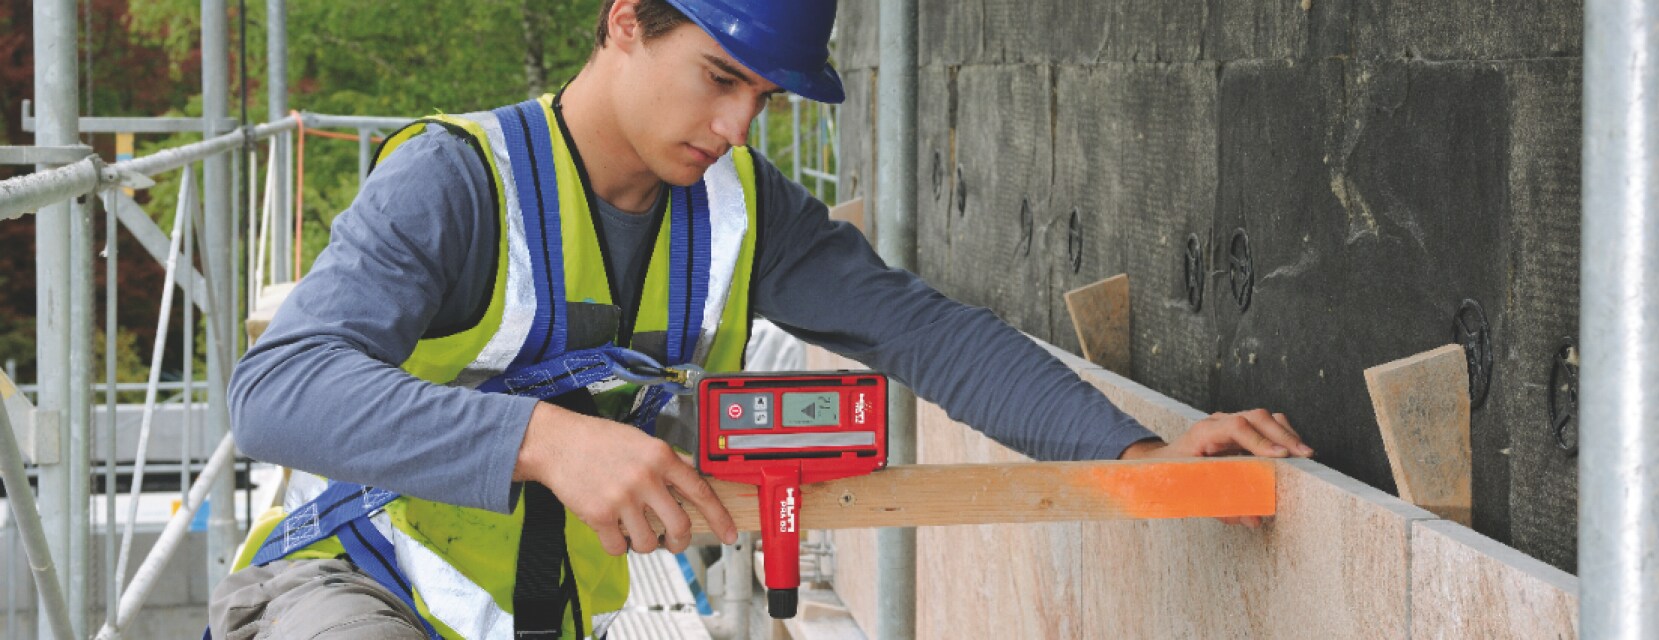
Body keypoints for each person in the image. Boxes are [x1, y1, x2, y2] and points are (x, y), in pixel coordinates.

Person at [212, 0, 1313, 638]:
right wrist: (547, 441)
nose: (736, 126)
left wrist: (1139, 451)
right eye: (720, 77)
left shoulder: (738, 213)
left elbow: (919, 331)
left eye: (764, 100)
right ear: (623, 23)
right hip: (344, 585)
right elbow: (275, 391)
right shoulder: (462, 183)